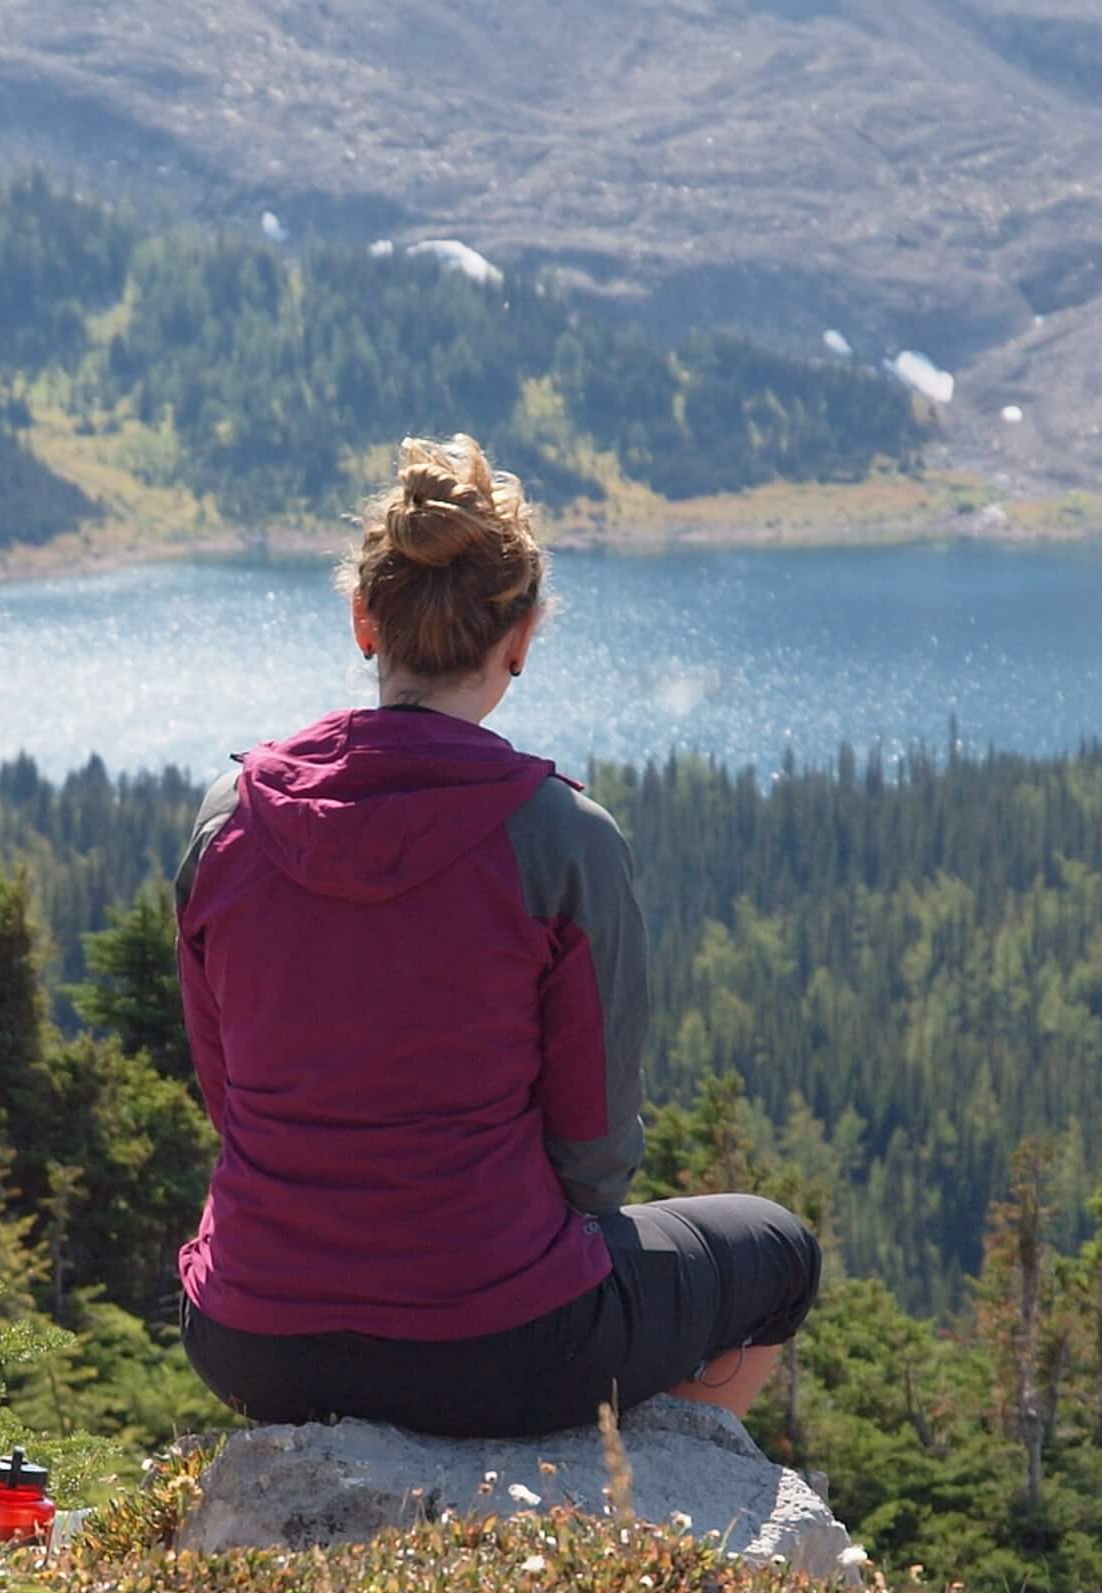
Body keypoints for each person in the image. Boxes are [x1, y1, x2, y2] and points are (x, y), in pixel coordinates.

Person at [173, 434, 820, 1439]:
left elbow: (229, 1100)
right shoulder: (560, 842)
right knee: (777, 1254)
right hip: (499, 1344)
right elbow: (593, 1159)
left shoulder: (232, 820)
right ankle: (633, 1508)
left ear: (362, 621)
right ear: (518, 637)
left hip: (250, 1339)